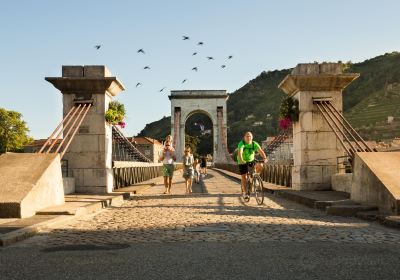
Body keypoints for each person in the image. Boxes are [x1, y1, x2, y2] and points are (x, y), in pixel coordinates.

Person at [237, 131, 268, 200]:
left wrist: (265, 158)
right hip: (242, 161)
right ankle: (245, 193)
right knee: (244, 177)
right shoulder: (241, 144)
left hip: (251, 160)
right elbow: (240, 152)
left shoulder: (254, 144)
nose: (248, 138)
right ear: (244, 137)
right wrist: (242, 160)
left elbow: (260, 151)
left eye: (250, 136)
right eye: (247, 136)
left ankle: (256, 177)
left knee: (261, 165)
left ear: (252, 137)